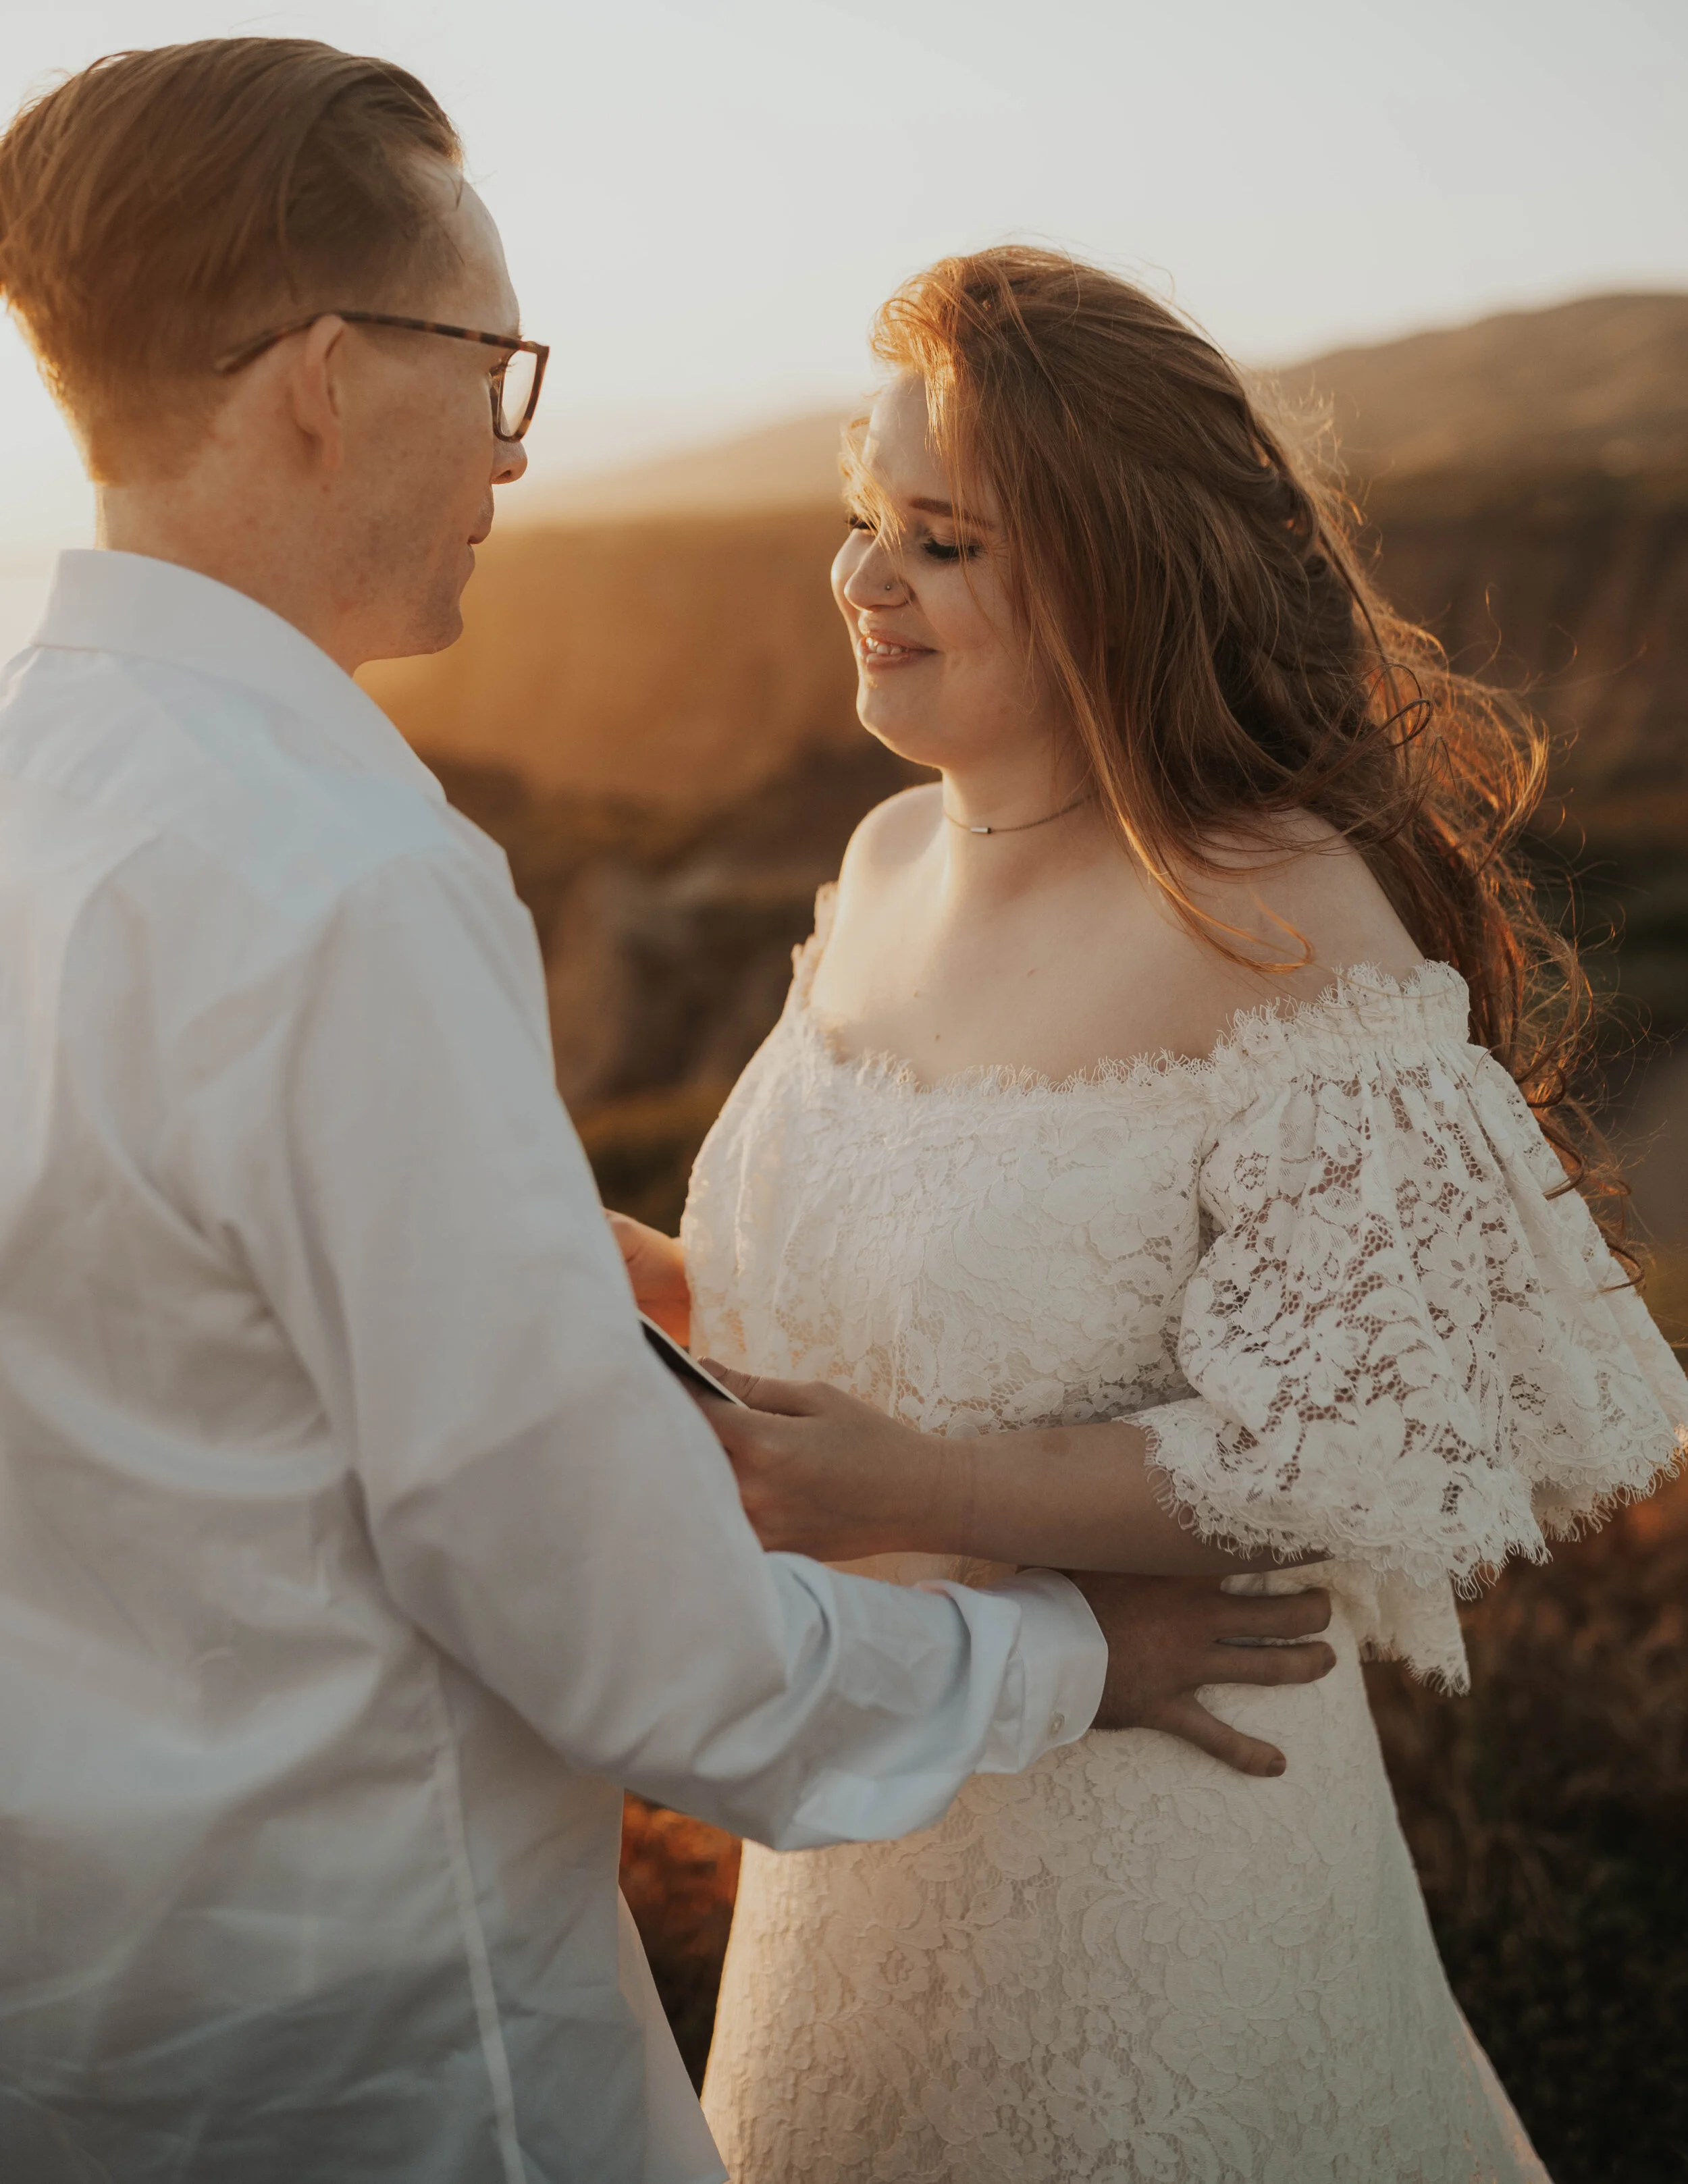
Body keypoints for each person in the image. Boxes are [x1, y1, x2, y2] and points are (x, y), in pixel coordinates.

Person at [0, 45, 1344, 2184]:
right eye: (490, 367)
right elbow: (646, 1659)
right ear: (330, 378)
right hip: (385, 2050)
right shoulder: (342, 881)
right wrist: (1059, 1655)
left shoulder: (36, 781)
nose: (513, 448)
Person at [611, 248, 1688, 2180]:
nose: (863, 576)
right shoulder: (880, 858)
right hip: (870, 1823)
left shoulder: (1279, 914)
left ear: (1120, 573)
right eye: (865, 514)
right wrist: (664, 1294)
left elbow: (1365, 1432)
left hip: (1151, 1850)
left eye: (942, 540)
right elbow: (895, 1311)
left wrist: (903, 1492)